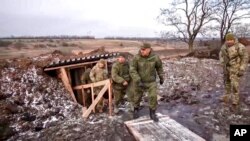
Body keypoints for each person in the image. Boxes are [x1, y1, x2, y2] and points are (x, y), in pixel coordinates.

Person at [130, 43, 164, 122]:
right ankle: (136, 109)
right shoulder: (136, 58)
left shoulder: (155, 57)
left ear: (149, 49)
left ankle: (152, 113)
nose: (142, 51)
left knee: (153, 96)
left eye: (144, 50)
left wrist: (161, 76)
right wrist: (138, 80)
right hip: (139, 81)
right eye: (141, 49)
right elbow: (132, 70)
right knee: (137, 96)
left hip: (151, 81)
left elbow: (159, 67)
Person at [219, 32, 249, 111]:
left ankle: (235, 100)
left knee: (235, 85)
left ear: (234, 39)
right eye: (228, 40)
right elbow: (221, 55)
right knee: (226, 83)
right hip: (226, 68)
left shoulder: (240, 47)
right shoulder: (224, 47)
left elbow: (245, 58)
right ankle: (226, 96)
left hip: (235, 69)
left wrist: (242, 68)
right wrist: (222, 62)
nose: (229, 41)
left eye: (231, 40)